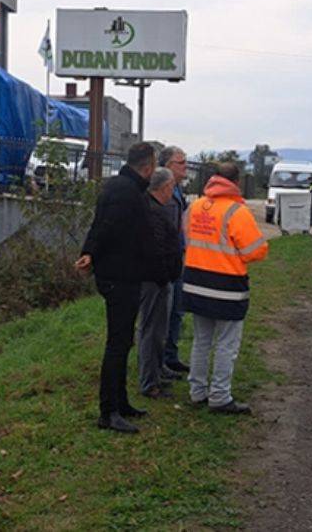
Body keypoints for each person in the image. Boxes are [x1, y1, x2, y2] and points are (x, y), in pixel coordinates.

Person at [76, 142, 157, 434]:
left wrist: (89, 252)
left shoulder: (121, 187)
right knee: (117, 344)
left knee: (123, 343)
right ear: (148, 166)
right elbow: (106, 227)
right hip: (119, 277)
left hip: (121, 274)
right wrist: (91, 253)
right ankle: (108, 412)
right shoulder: (126, 192)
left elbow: (98, 225)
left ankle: (121, 403)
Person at [182, 162, 269, 414]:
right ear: (236, 182)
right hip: (226, 287)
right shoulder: (237, 211)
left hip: (195, 281)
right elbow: (255, 251)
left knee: (201, 341)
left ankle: (197, 391)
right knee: (226, 344)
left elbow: (186, 238)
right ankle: (219, 396)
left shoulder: (195, 207)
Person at [137, 167, 184, 399]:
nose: (172, 191)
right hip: (154, 281)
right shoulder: (154, 212)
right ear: (165, 187)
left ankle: (155, 374)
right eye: (172, 187)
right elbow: (156, 250)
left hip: (159, 279)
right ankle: (149, 383)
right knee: (152, 332)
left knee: (156, 330)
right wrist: (165, 275)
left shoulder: (152, 207)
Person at [158, 146, 191, 378]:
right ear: (168, 166)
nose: (185, 166)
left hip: (179, 257)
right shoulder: (164, 192)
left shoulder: (178, 190)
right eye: (181, 162)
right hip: (167, 261)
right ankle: (159, 361)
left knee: (177, 310)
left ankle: (170, 356)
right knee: (164, 313)